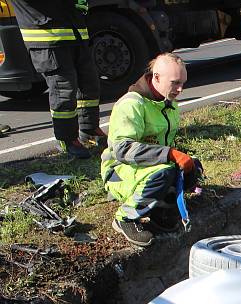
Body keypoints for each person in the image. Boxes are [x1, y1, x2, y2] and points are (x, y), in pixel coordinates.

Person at [101, 53, 202, 247]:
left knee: (193, 167)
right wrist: (169, 154)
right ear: (156, 77)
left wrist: (178, 160)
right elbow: (122, 150)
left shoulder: (168, 103)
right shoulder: (132, 104)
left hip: (147, 167)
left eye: (183, 83)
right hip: (119, 170)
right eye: (175, 83)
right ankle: (125, 218)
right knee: (163, 173)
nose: (180, 89)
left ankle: (158, 209)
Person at [11, 0, 105, 158]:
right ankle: (66, 139)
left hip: (74, 31)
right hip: (47, 36)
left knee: (89, 83)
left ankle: (89, 129)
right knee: (64, 88)